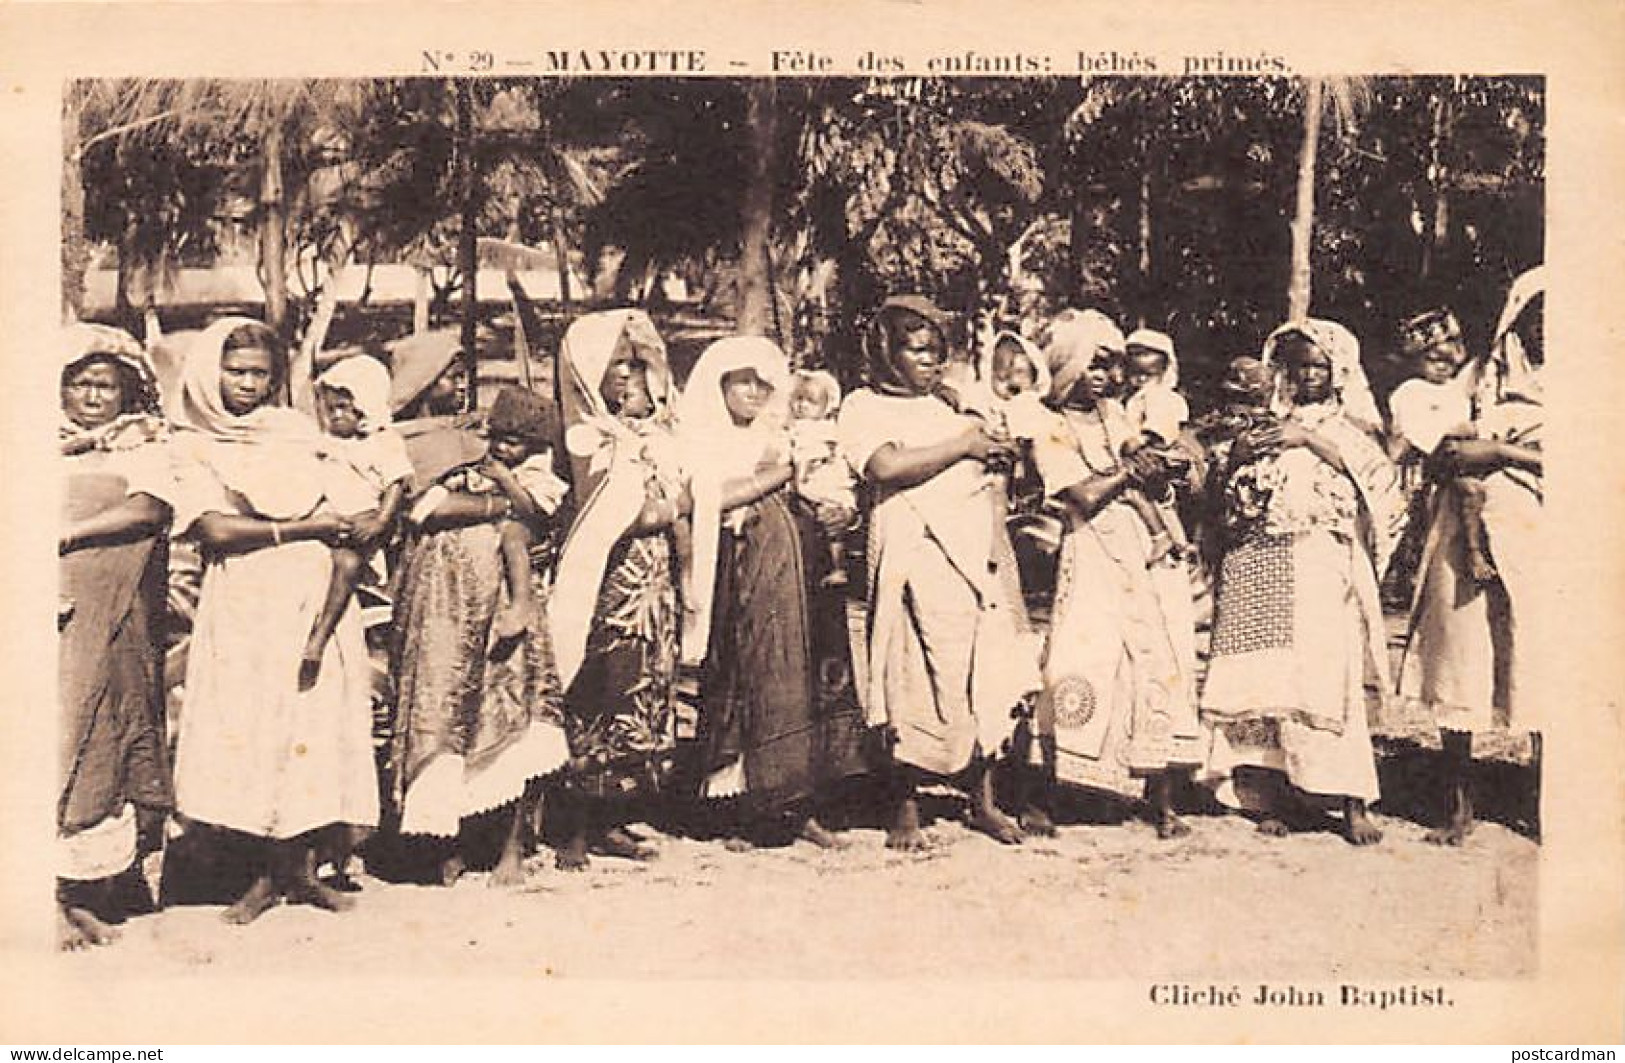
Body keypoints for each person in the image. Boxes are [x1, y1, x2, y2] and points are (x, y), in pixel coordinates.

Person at [167, 317, 378, 923]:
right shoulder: (193, 440)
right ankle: (259, 874)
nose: (248, 385)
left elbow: (350, 504)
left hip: (314, 598)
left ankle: (301, 870)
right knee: (254, 729)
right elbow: (217, 529)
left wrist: (325, 531)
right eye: (236, 372)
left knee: (308, 727)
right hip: (245, 605)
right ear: (212, 371)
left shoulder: (292, 430)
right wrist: (305, 526)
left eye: (261, 373)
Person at [838, 295, 1040, 850]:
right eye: (915, 350)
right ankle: (905, 805)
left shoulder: (953, 406)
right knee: (908, 675)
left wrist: (989, 452)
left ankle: (983, 799)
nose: (929, 361)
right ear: (886, 353)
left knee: (980, 673)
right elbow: (885, 466)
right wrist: (964, 446)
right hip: (910, 558)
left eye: (935, 351)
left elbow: (989, 471)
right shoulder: (864, 406)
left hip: (969, 559)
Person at [1197, 319, 1403, 846]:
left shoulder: (1349, 426)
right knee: (1266, 680)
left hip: (1318, 555)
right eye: (1299, 365)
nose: (1309, 374)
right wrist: (1241, 456)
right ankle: (1273, 793)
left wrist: (1306, 438)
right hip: (1259, 554)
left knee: (1326, 676)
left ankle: (1352, 800)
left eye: (1319, 364)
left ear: (1338, 370)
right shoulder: (1262, 419)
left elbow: (1377, 484)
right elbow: (1220, 489)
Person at [679, 337, 870, 848]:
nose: (753, 392)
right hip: (743, 580)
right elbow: (711, 498)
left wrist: (840, 512)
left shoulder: (784, 434)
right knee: (753, 679)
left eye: (763, 383)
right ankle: (745, 810)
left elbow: (825, 483)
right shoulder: (702, 439)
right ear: (718, 384)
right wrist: (783, 474)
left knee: (806, 676)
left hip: (805, 580)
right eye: (742, 381)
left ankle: (804, 805)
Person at [1025, 309, 1202, 838]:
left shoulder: (1115, 416)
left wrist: (1159, 464)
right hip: (1088, 550)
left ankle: (1160, 798)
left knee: (1153, 660)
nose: (1103, 377)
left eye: (1110, 366)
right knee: (1076, 662)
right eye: (1092, 365)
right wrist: (1129, 472)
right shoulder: (1046, 425)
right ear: (1066, 366)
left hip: (1139, 551)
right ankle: (1043, 795)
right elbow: (1078, 494)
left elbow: (1149, 463)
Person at [389, 379, 571, 887]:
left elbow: (534, 515)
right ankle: (454, 842)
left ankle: (512, 848)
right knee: (458, 719)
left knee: (513, 717)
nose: (503, 449)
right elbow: (428, 506)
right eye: (499, 438)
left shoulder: (539, 476)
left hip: (504, 607)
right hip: (455, 610)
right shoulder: (467, 463)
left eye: (515, 442)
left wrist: (499, 499)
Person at [1399, 268, 1545, 845]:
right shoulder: (1478, 380)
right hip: (1463, 539)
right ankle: (1458, 802)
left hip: (1544, 537)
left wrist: (1499, 451)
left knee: (1539, 660)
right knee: (1461, 656)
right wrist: (1459, 457)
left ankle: (1541, 799)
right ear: (1517, 319)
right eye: (1536, 319)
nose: (1545, 333)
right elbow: (1432, 447)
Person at [549, 309, 687, 870]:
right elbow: (611, 512)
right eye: (616, 367)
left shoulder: (645, 433)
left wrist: (666, 505)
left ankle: (611, 818)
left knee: (642, 692)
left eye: (633, 365)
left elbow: (680, 494)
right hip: (607, 591)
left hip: (652, 590)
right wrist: (662, 508)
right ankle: (573, 827)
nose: (629, 377)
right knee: (597, 692)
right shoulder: (585, 437)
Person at [57, 323, 177, 949]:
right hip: (50, 615)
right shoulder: (36, 441)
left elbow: (150, 509)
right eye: (81, 383)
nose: (94, 396)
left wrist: (70, 535)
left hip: (121, 616)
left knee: (106, 733)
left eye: (106, 384)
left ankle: (92, 892)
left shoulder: (143, 445)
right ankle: (44, 900)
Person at [299, 355, 412, 692]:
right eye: (330, 408)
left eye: (344, 409)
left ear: (366, 408)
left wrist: (380, 520)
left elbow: (397, 483)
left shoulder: (382, 442)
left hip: (360, 524)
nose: (335, 416)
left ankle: (318, 640)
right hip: (325, 520)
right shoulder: (327, 442)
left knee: (346, 563)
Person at [1388, 310, 1496, 586]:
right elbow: (1415, 432)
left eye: (1448, 362)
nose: (1441, 367)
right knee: (1465, 492)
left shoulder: (1455, 391)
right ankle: (1474, 554)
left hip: (1452, 456)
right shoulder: (1411, 390)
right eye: (1433, 360)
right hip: (1426, 459)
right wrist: (1450, 433)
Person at [786, 369, 859, 587]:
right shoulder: (796, 426)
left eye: (811, 401)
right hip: (808, 489)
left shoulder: (822, 429)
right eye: (799, 399)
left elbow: (811, 456)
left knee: (831, 526)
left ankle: (839, 568)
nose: (802, 405)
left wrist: (799, 477)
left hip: (823, 483)